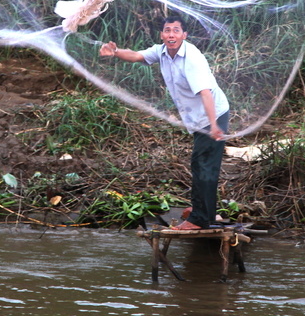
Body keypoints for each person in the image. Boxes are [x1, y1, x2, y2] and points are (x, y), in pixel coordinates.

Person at [99, 14, 230, 230]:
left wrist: (214, 125)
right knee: (204, 164)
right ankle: (208, 213)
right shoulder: (161, 51)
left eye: (176, 31)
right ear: (162, 34)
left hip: (211, 115)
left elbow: (206, 93)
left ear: (184, 35)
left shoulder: (192, 59)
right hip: (198, 118)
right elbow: (137, 56)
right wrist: (116, 52)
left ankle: (199, 219)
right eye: (168, 30)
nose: (171, 35)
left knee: (203, 165)